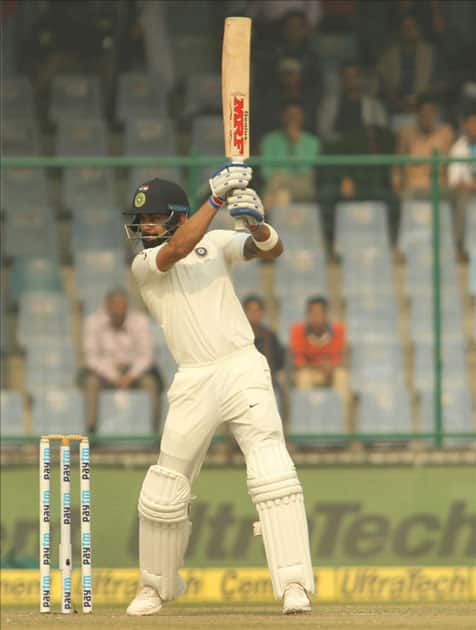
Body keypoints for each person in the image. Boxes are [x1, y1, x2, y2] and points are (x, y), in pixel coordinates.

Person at [122, 167, 314, 616]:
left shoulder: (215, 242)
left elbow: (270, 249)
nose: (145, 226)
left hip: (242, 366)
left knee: (272, 472)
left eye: (153, 217)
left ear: (175, 214)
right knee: (166, 487)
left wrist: (255, 223)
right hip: (193, 377)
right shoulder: (146, 264)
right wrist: (214, 196)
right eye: (142, 219)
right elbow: (179, 248)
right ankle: (155, 587)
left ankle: (294, 585)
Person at [81, 288, 162, 433]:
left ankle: (153, 433)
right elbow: (91, 358)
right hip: (105, 372)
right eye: (115, 305)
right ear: (107, 306)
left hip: (134, 371)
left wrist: (130, 376)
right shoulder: (92, 322)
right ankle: (91, 432)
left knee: (151, 384)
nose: (119, 310)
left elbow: (147, 355)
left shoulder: (140, 321)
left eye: (122, 306)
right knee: (90, 383)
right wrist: (114, 377)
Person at [392, 95, 454, 200]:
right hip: (413, 187)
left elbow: (453, 165)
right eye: (423, 112)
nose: (427, 115)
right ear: (417, 113)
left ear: (435, 113)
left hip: (439, 187)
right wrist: (396, 185)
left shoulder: (446, 133)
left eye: (430, 112)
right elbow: (397, 164)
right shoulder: (406, 133)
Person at [260, 100, 320, 206]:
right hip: (276, 185)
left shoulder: (312, 141)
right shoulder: (269, 140)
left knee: (279, 182)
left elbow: (305, 170)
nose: (293, 118)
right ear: (282, 117)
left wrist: (294, 143)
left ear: (302, 117)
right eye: (289, 115)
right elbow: (266, 172)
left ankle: (262, 217)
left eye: (296, 115)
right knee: (282, 195)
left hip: (303, 184)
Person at [289, 296, 347, 399]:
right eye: (312, 313)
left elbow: (338, 357)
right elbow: (298, 360)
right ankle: (305, 413)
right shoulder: (297, 330)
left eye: (319, 313)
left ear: (325, 315)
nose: (315, 317)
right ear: (307, 315)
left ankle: (340, 413)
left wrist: (331, 366)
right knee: (303, 377)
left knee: (341, 376)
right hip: (309, 371)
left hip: (330, 371)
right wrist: (317, 366)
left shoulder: (338, 330)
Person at [242, 294, 286, 415]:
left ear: (262, 313)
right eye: (250, 310)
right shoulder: (237, 336)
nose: (254, 314)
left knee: (277, 397)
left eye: (257, 310)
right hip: (242, 382)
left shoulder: (270, 335)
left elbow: (279, 362)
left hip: (267, 382)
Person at [448, 109, 476, 256]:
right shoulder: (458, 147)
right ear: (465, 126)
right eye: (471, 123)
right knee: (461, 200)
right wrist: (469, 185)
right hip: (467, 191)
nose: (474, 127)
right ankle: (461, 248)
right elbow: (453, 180)